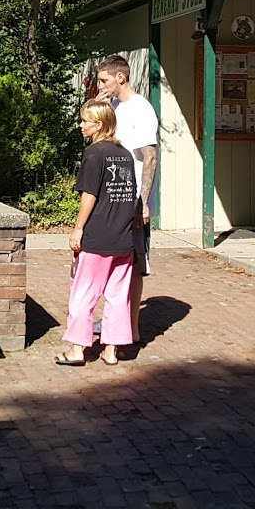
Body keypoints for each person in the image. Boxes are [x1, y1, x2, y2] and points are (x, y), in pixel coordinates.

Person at [57, 99, 139, 367]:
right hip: (123, 239)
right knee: (117, 296)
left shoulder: (94, 153)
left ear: (99, 124)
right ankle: (111, 350)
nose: (81, 125)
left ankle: (78, 349)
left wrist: (78, 228)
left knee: (83, 293)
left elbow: (89, 194)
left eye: (85, 120)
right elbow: (132, 196)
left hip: (97, 238)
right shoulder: (125, 154)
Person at [95, 54, 157, 342]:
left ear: (121, 77)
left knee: (134, 266)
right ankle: (113, 324)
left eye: (104, 80)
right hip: (112, 199)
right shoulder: (115, 107)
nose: (101, 85)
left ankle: (131, 329)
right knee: (111, 262)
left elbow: (150, 156)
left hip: (132, 202)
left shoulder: (141, 109)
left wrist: (142, 202)